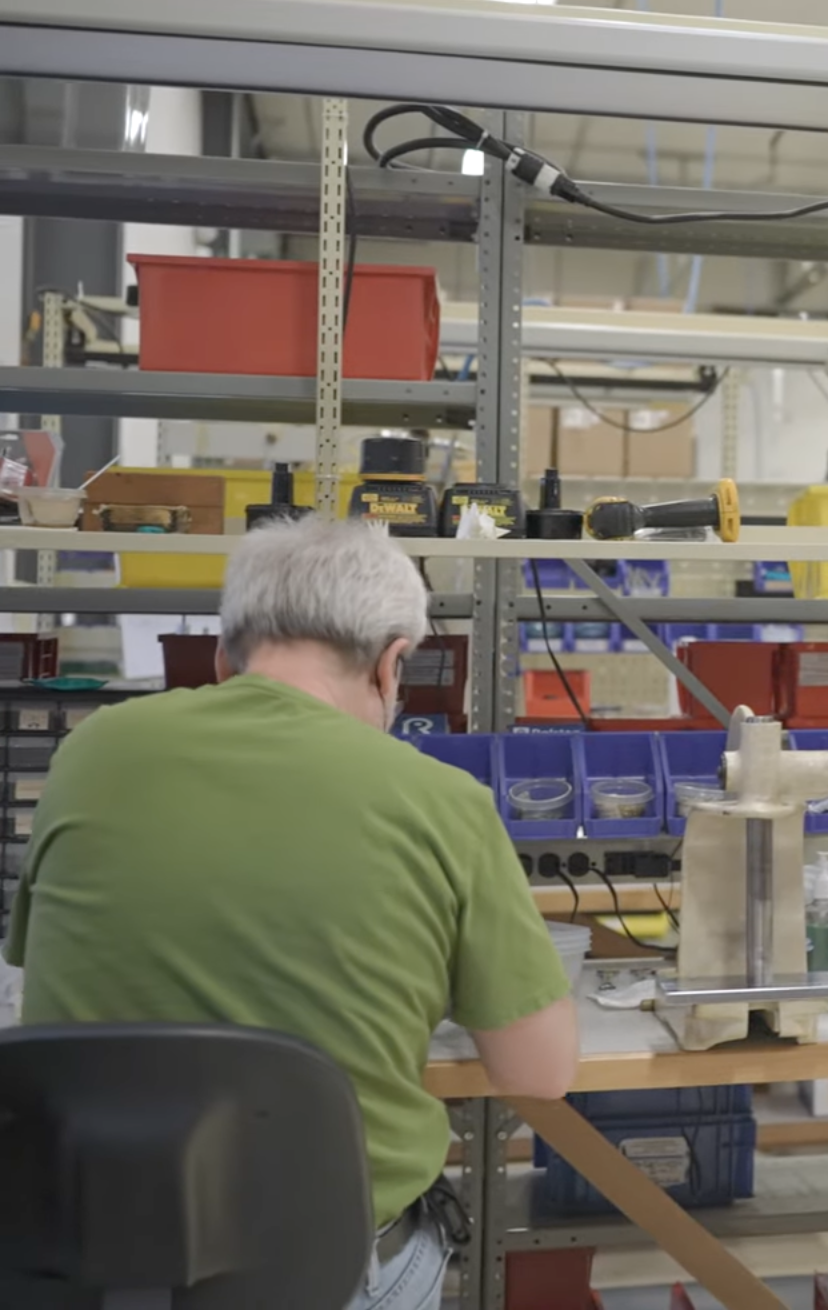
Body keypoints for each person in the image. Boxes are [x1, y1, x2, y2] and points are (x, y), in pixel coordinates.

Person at [5, 517, 576, 1310]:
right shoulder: (442, 799)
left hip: (81, 1256)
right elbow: (539, 1073)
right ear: (390, 664)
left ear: (221, 656)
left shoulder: (91, 752)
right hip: (319, 1273)